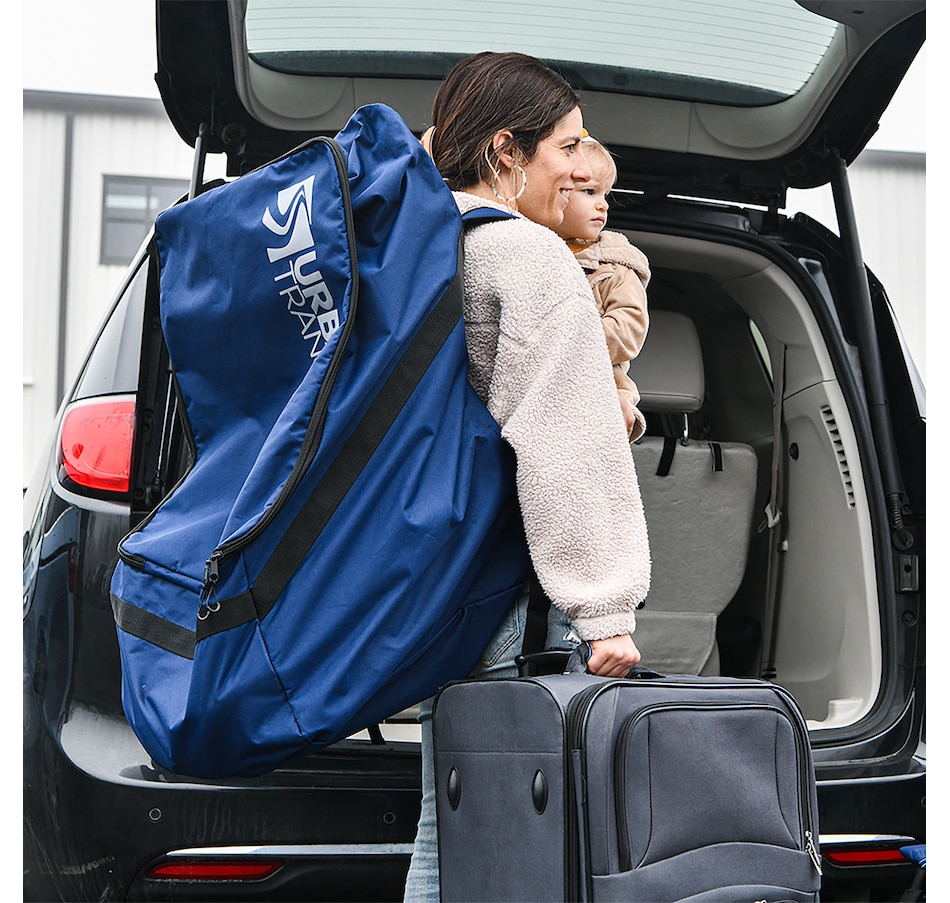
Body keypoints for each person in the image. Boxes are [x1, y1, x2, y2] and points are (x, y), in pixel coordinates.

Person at [405, 51, 651, 901]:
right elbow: (562, 440)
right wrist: (604, 607)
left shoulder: (414, 237)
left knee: (449, 822)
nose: (583, 168)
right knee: (498, 845)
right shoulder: (529, 257)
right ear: (506, 151)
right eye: (568, 145)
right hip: (500, 596)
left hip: (426, 578)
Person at [553, 135, 651, 441]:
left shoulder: (616, 266)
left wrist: (567, 338)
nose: (603, 204)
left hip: (601, 392)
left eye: (605, 194)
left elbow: (629, 329)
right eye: (589, 191)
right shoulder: (533, 251)